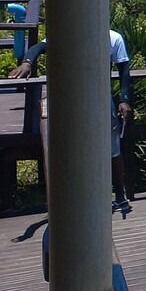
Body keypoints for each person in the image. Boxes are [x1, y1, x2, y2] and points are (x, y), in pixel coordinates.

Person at [9, 30, 134, 212]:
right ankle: (78, 198)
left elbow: (124, 70)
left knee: (112, 149)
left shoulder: (113, 38)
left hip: (100, 99)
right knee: (76, 148)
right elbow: (40, 46)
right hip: (72, 101)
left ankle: (121, 196)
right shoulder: (73, 27)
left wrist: (124, 100)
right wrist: (27, 62)